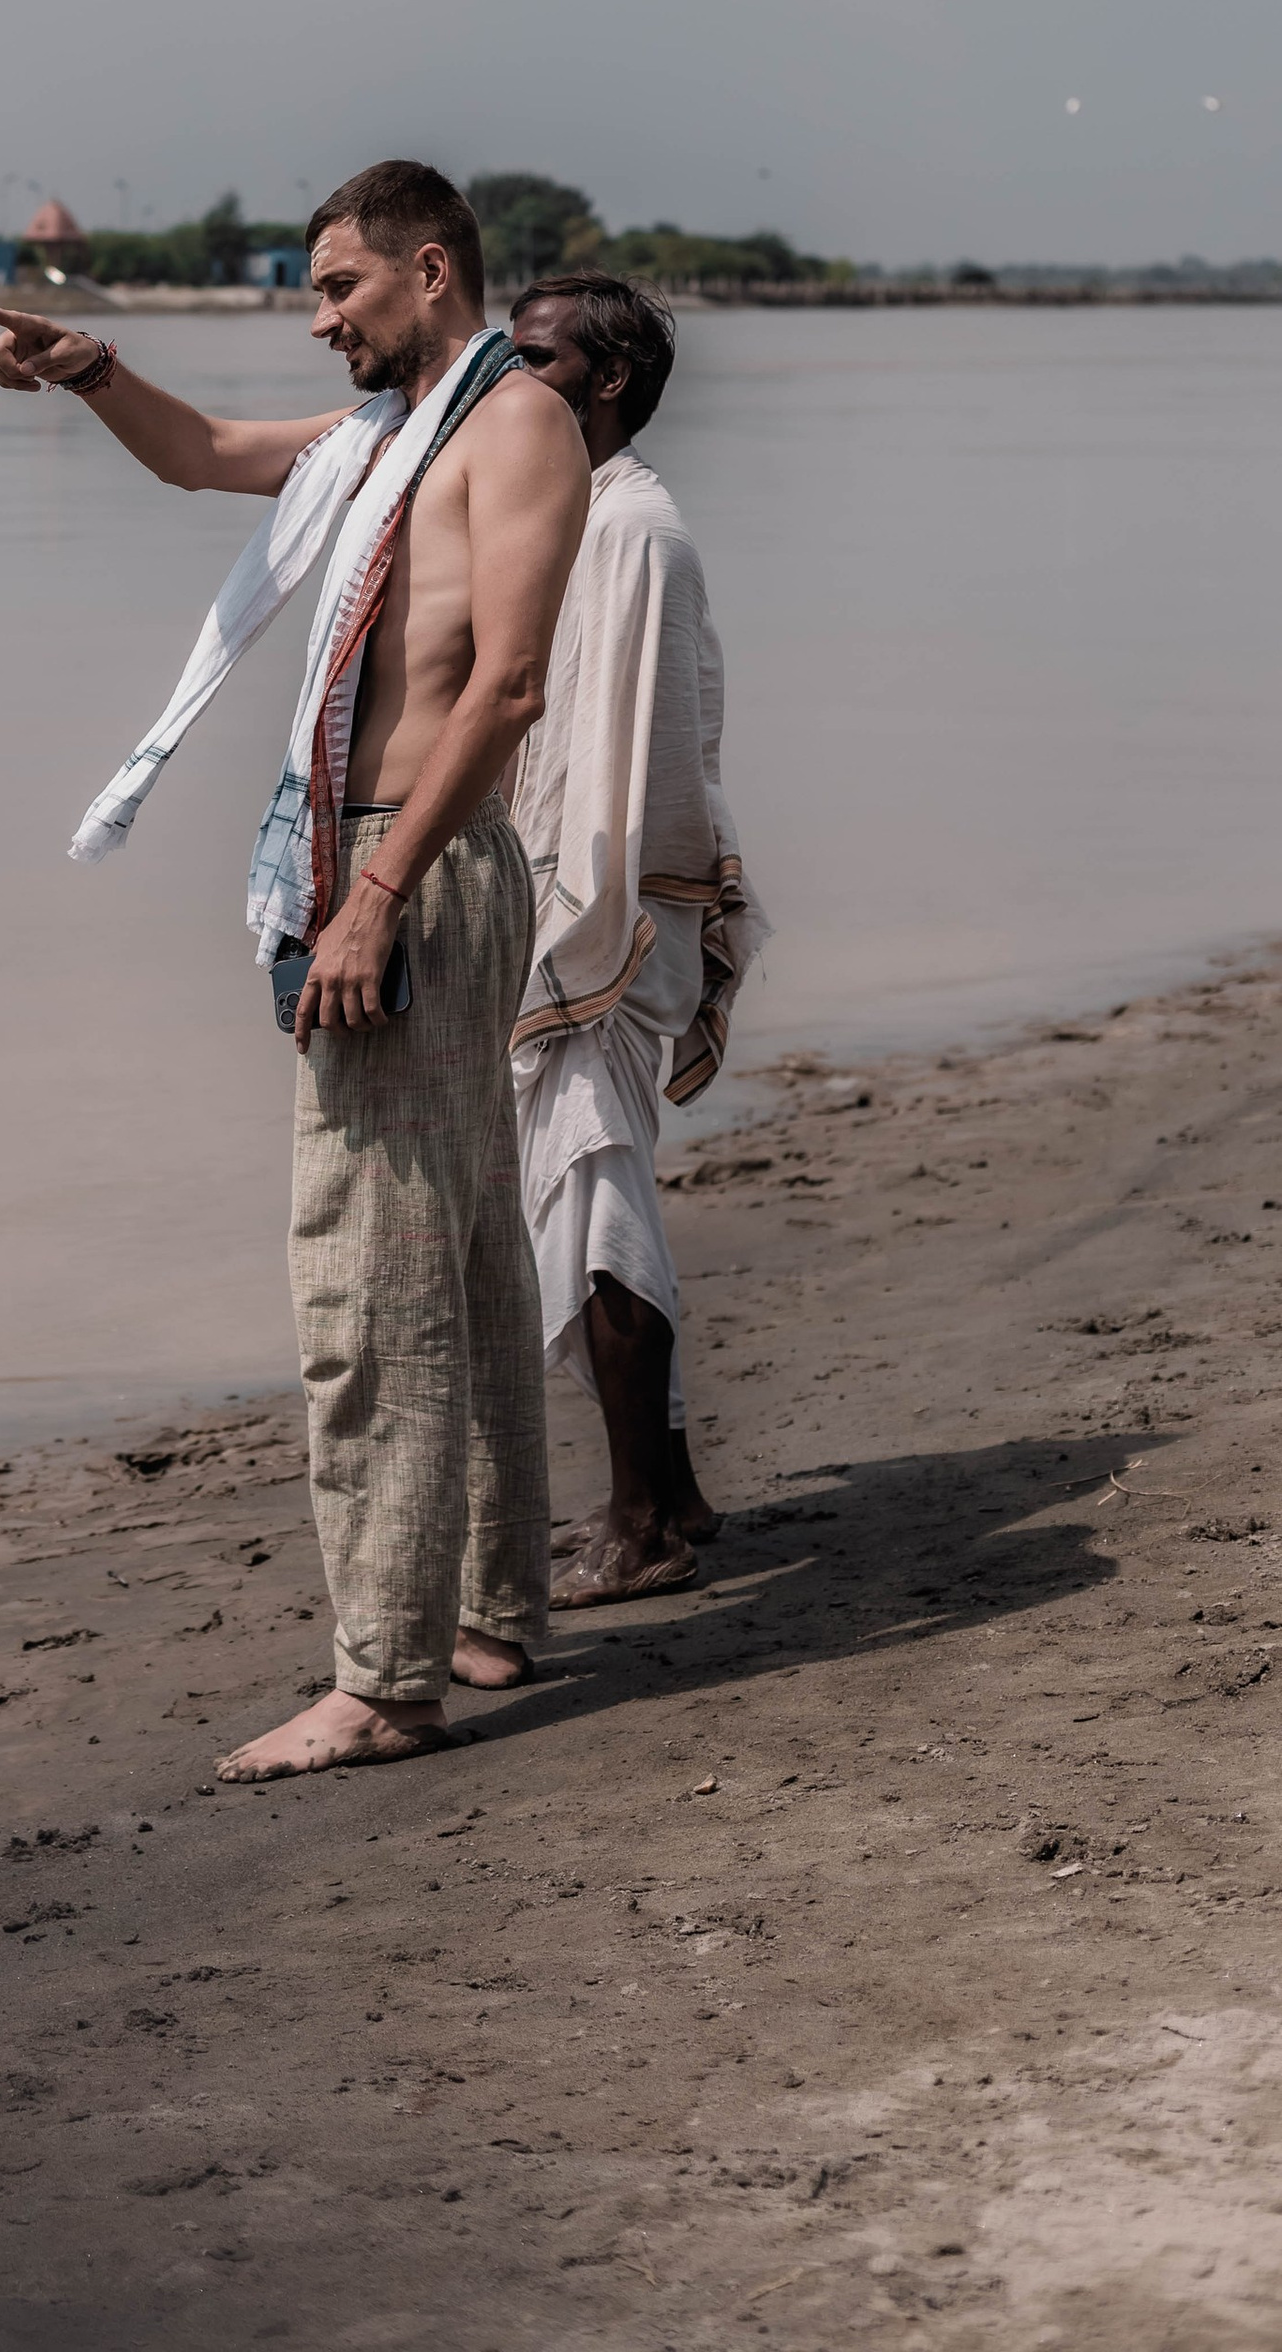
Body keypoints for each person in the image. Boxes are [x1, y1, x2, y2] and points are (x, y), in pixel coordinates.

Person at [0, 161, 591, 1778]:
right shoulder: (387, 444)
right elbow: (201, 460)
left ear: (433, 269)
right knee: (458, 1251)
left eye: (340, 290)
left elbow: (509, 684)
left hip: (417, 869)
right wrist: (91, 372)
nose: (321, 320)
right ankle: (492, 1611)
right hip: (385, 865)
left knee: (367, 1289)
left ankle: (385, 1682)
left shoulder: (513, 426)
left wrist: (375, 893)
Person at [504, 275, 768, 1607]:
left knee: (596, 1196)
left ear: (607, 382)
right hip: (573, 890)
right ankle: (674, 1492)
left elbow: (648, 756)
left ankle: (642, 1523)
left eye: (536, 358)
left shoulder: (638, 535)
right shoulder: (576, 515)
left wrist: (583, 927)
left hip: (602, 903)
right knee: (604, 1196)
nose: (510, 376)